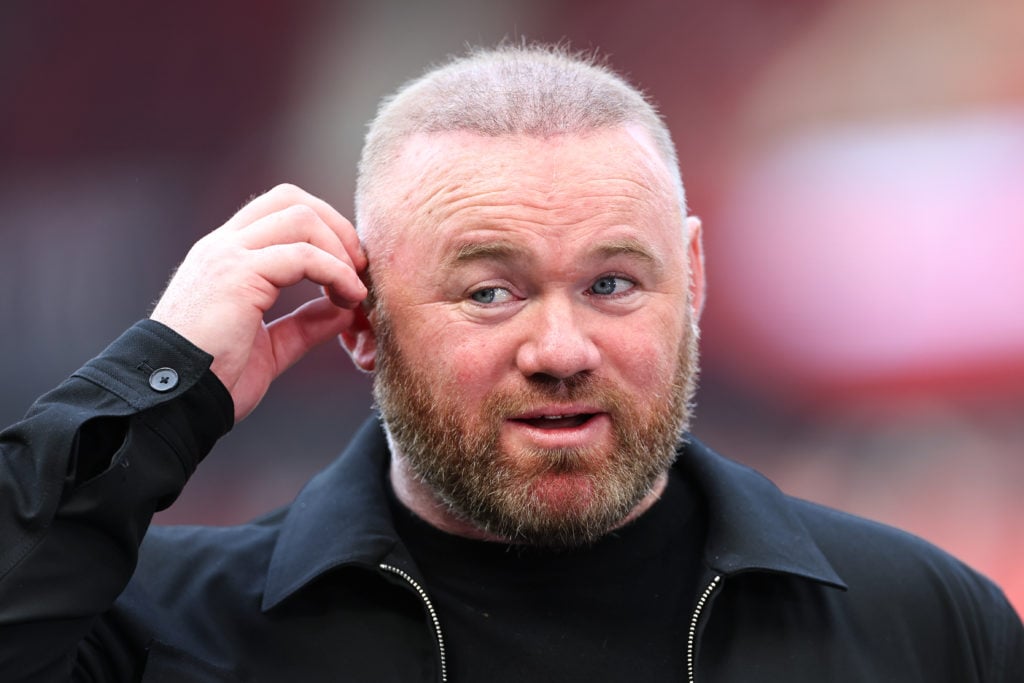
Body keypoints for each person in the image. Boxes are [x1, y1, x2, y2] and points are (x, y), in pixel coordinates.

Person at [0, 43, 1020, 683]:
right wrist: (160, 375)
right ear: (361, 316)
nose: (561, 350)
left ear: (694, 280)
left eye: (614, 282)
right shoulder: (164, 627)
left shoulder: (921, 617)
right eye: (490, 291)